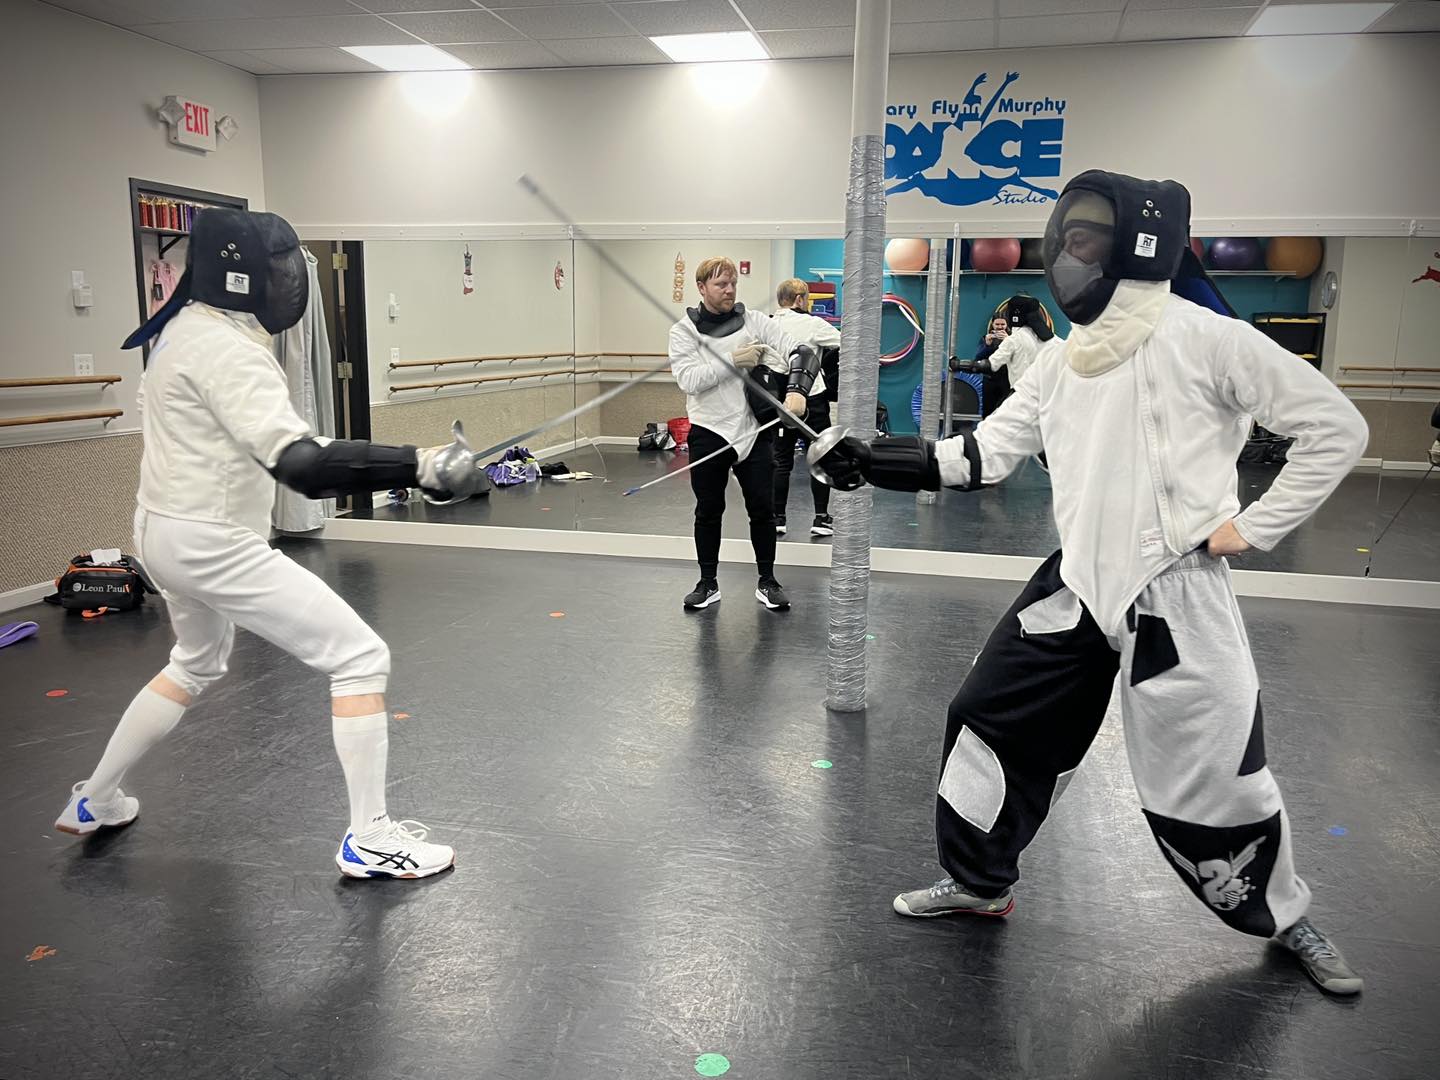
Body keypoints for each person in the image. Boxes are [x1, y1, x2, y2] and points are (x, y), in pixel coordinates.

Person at [812, 171, 1369, 996]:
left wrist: (1249, 527)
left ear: (1135, 248)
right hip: (1074, 585)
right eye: (1065, 241)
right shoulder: (1063, 361)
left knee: (1217, 775)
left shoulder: (1207, 337)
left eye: (1086, 243)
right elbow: (982, 455)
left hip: (1177, 593)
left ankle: (1285, 917)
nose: (1070, 259)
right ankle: (978, 882)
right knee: (986, 724)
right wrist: (874, 461)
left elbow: (1336, 427)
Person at [54, 209, 490, 880]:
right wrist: (420, 464)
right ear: (241, 274)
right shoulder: (228, 349)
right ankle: (369, 837)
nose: (289, 283)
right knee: (360, 655)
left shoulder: (184, 329)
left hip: (161, 530)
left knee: (193, 664)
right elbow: (301, 466)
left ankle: (96, 797)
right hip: (213, 541)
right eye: (278, 269)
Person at [669, 257, 818, 612]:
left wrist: (797, 389)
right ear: (702, 287)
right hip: (710, 431)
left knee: (763, 511)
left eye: (733, 282)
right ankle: (707, 583)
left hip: (755, 430)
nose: (730, 289)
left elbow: (802, 351)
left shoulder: (754, 321)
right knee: (708, 510)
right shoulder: (683, 331)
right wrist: (731, 360)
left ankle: (768, 581)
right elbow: (688, 380)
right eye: (721, 284)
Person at [770, 278, 842, 537]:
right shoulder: (813, 324)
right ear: (800, 299)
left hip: (778, 401)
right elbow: (844, 343)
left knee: (781, 460)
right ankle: (821, 519)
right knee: (821, 457)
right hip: (811, 399)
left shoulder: (768, 324)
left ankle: (777, 518)